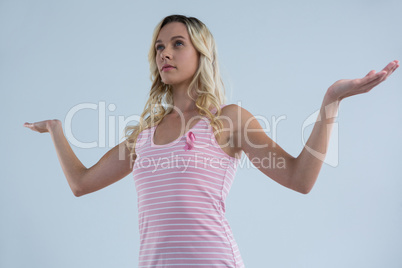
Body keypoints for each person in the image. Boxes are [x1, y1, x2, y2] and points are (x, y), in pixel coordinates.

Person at [23, 14, 399, 268]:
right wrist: (57, 129)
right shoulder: (144, 137)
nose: (164, 52)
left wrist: (330, 101)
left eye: (177, 44)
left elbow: (300, 179)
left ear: (202, 53)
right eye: (158, 47)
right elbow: (81, 183)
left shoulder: (227, 120)